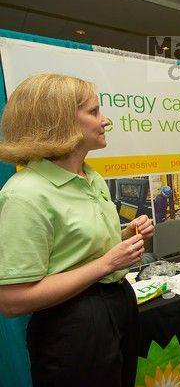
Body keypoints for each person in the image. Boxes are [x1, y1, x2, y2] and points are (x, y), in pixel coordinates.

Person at [0, 73, 154, 387]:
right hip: (72, 326)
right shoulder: (24, 194)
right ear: (61, 123)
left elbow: (71, 249)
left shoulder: (90, 176)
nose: (105, 120)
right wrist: (108, 262)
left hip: (117, 306)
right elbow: (12, 301)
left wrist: (123, 238)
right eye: (94, 112)